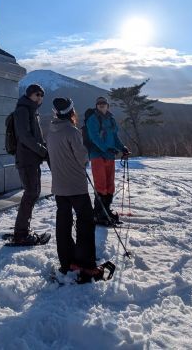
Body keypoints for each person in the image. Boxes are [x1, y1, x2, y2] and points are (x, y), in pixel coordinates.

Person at [47, 97, 101, 282]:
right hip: (76, 185)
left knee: (63, 223)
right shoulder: (72, 131)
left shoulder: (51, 131)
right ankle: (87, 264)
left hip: (59, 186)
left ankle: (68, 261)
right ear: (71, 112)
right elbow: (82, 158)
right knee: (85, 222)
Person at [12, 83, 48, 245]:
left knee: (33, 192)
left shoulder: (32, 111)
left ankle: (22, 230)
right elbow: (25, 137)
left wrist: (45, 149)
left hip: (32, 159)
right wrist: (43, 151)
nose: (39, 97)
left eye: (41, 95)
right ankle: (21, 233)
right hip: (26, 159)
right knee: (31, 193)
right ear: (29, 95)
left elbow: (36, 137)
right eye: (36, 94)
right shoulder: (22, 110)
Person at [85, 96, 129, 226]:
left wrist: (122, 148)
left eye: (104, 103)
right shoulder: (93, 119)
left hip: (110, 156)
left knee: (110, 185)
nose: (101, 105)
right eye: (99, 104)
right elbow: (94, 138)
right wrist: (107, 149)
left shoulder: (111, 119)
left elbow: (114, 137)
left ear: (107, 105)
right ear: (96, 106)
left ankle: (106, 210)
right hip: (97, 155)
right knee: (101, 184)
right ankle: (99, 213)